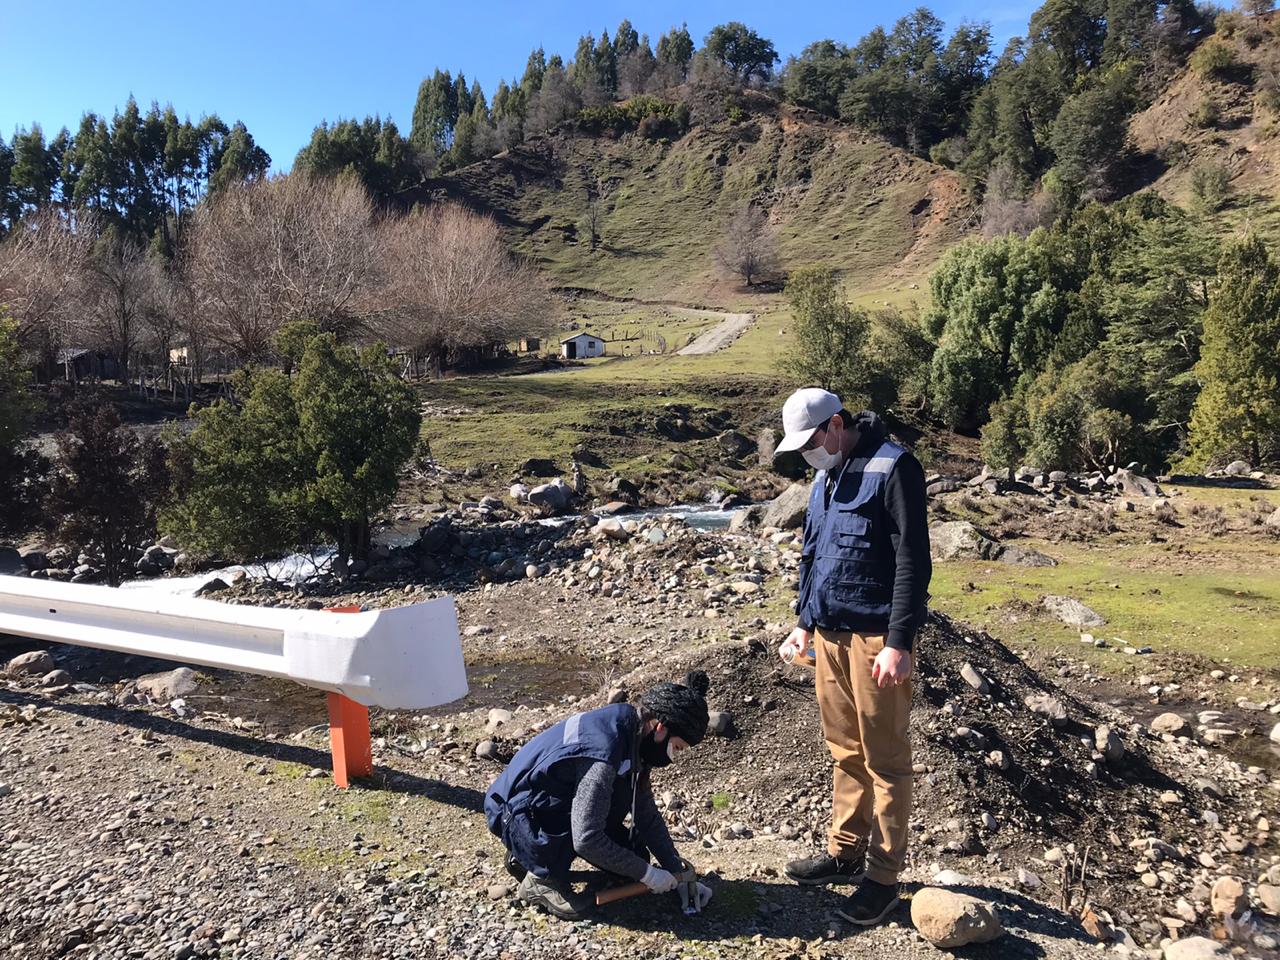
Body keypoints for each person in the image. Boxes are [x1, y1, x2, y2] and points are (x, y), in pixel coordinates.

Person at [773, 387, 931, 927]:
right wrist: (802, 623)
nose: (807, 454)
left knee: (885, 759)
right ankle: (845, 852)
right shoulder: (825, 475)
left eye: (811, 442)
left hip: (875, 641)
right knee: (844, 750)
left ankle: (883, 879)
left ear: (836, 425)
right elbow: (814, 554)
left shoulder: (895, 468)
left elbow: (913, 558)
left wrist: (899, 642)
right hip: (829, 638)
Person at [484, 672, 715, 920]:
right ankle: (540, 876)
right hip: (514, 810)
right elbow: (587, 838)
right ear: (661, 727)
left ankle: (531, 855)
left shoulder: (635, 735)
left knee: (633, 858)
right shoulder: (604, 750)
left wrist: (677, 873)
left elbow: (646, 814)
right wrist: (647, 875)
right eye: (677, 747)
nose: (673, 757)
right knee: (615, 849)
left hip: (548, 799)